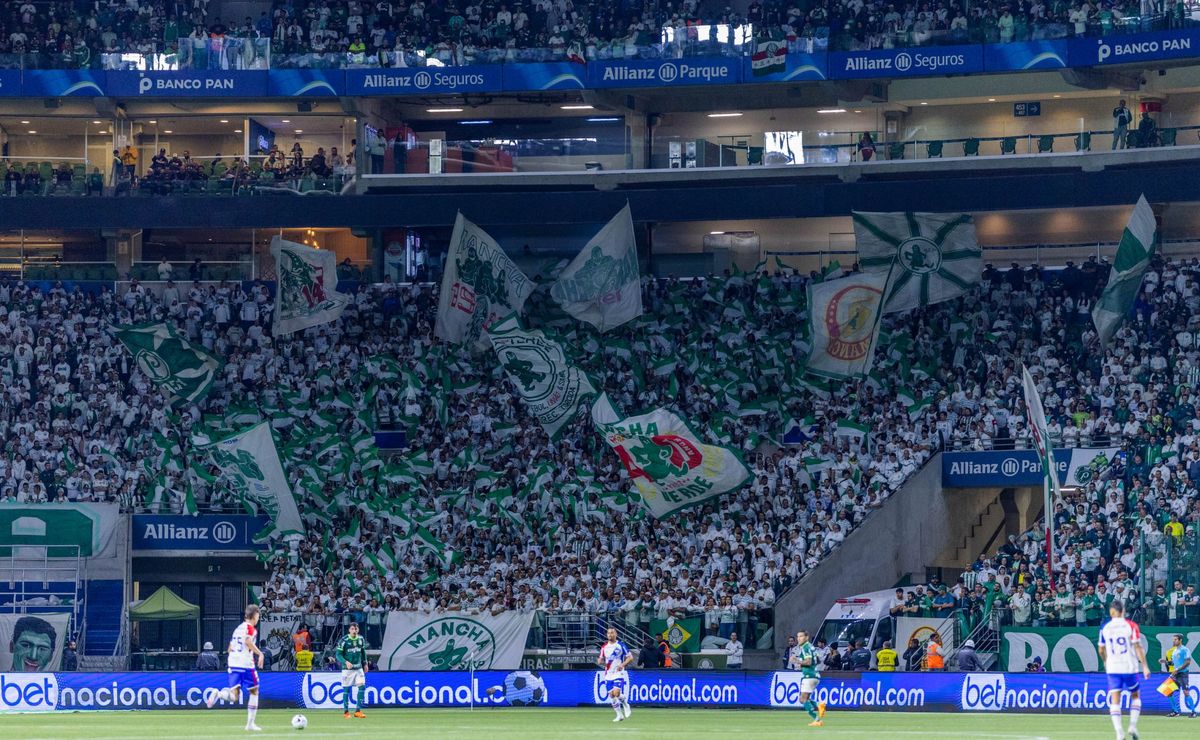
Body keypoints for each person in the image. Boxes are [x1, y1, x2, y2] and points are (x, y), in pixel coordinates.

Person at [205, 604, 265, 732]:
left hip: (233, 663)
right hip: (246, 664)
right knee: (254, 691)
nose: (258, 619)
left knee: (234, 696)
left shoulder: (238, 629)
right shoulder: (250, 628)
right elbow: (248, 641)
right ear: (255, 615)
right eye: (258, 616)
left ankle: (218, 694)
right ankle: (250, 724)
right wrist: (260, 653)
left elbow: (229, 648)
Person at [1098, 600, 1150, 740]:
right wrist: (1145, 666)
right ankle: (1132, 726)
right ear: (1123, 611)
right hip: (1129, 666)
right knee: (1135, 696)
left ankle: (1119, 733)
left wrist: (1105, 661)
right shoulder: (1131, 625)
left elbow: (1101, 649)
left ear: (1111, 611)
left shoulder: (1105, 627)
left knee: (1115, 700)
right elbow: (1138, 647)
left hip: (1113, 667)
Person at [787, 630, 826, 727]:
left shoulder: (805, 647)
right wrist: (803, 664)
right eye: (798, 636)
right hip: (815, 675)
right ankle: (818, 706)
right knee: (806, 699)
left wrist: (797, 661)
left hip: (809, 676)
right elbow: (818, 660)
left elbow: (808, 662)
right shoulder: (812, 647)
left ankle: (817, 717)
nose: (798, 638)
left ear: (807, 637)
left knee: (802, 699)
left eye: (801, 636)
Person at [598, 627, 633, 723]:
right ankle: (619, 715)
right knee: (611, 695)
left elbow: (630, 657)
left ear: (616, 634)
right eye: (608, 633)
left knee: (617, 693)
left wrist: (622, 664)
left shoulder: (620, 645)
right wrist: (600, 661)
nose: (610, 634)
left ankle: (625, 704)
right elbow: (600, 659)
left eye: (612, 633)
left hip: (618, 673)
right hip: (608, 674)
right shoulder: (604, 647)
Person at [335, 622, 368, 718]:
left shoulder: (361, 639)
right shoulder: (344, 640)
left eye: (356, 629)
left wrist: (365, 663)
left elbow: (363, 652)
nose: (354, 631)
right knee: (346, 689)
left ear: (358, 630)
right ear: (349, 630)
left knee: (362, 687)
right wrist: (345, 662)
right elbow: (338, 655)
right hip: (347, 670)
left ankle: (358, 711)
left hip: (358, 668)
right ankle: (346, 712)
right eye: (352, 629)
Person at [1163, 633, 1195, 718]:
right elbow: (1174, 663)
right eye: (1173, 640)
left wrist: (1177, 669)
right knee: (1168, 691)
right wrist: (1165, 662)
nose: (1174, 641)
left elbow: (1188, 662)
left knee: (1186, 692)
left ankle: (1193, 712)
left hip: (1183, 674)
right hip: (1175, 674)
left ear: (1180, 640)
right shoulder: (1174, 651)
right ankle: (1175, 712)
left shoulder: (1185, 649)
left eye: (1175, 639)